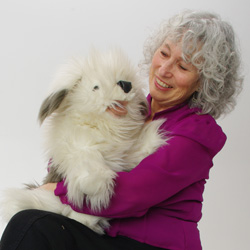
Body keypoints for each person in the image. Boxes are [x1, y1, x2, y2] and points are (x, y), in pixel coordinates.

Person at [0, 10, 243, 250]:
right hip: (106, 234)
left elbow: (131, 195)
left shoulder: (197, 132)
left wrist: (58, 190)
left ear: (204, 82)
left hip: (154, 244)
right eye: (164, 53)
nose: (164, 69)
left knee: (31, 226)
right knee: (33, 224)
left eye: (183, 66)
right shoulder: (131, 108)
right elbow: (73, 154)